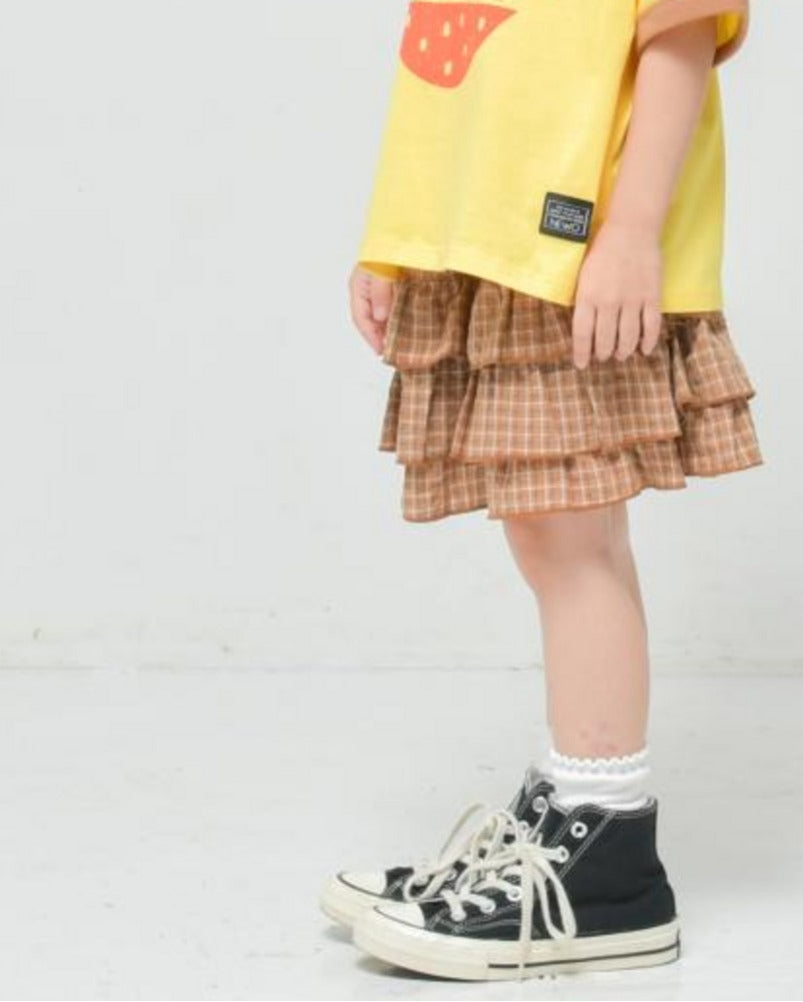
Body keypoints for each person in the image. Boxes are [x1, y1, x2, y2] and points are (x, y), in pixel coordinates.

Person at [321, 0, 762, 982]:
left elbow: (681, 36)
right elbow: (457, 69)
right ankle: (575, 812)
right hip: (495, 238)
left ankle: (606, 854)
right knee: (546, 531)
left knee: (571, 536)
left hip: (575, 240)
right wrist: (399, 240)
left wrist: (633, 231)